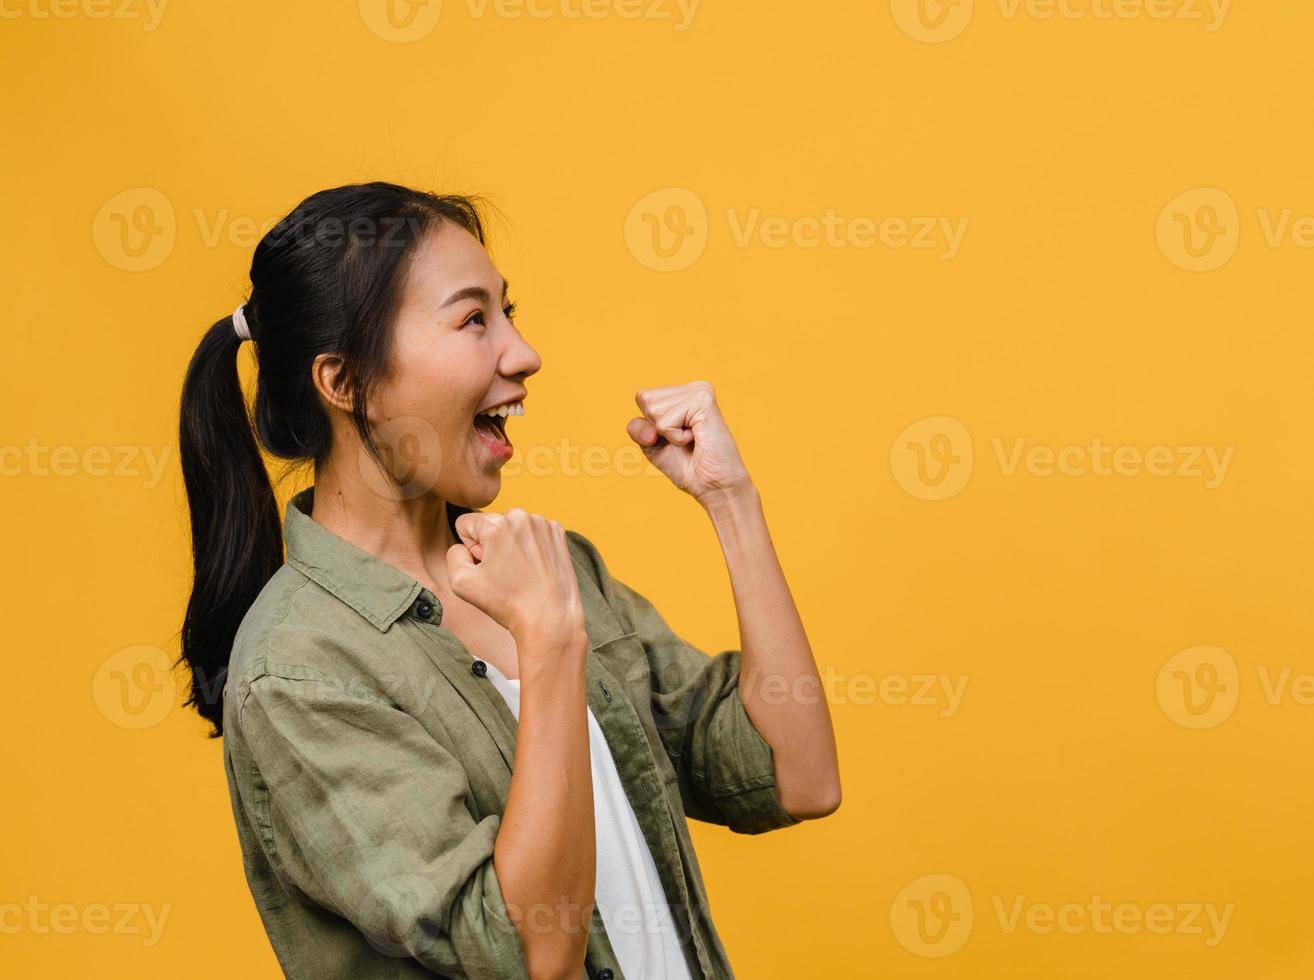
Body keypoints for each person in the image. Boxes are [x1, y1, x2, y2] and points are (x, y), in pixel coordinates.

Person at [174, 181, 841, 979]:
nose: (523, 354)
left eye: (508, 311)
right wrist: (550, 643)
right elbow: (530, 953)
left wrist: (732, 503)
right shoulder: (301, 667)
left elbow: (796, 774)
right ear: (345, 383)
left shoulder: (552, 571)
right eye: (472, 319)